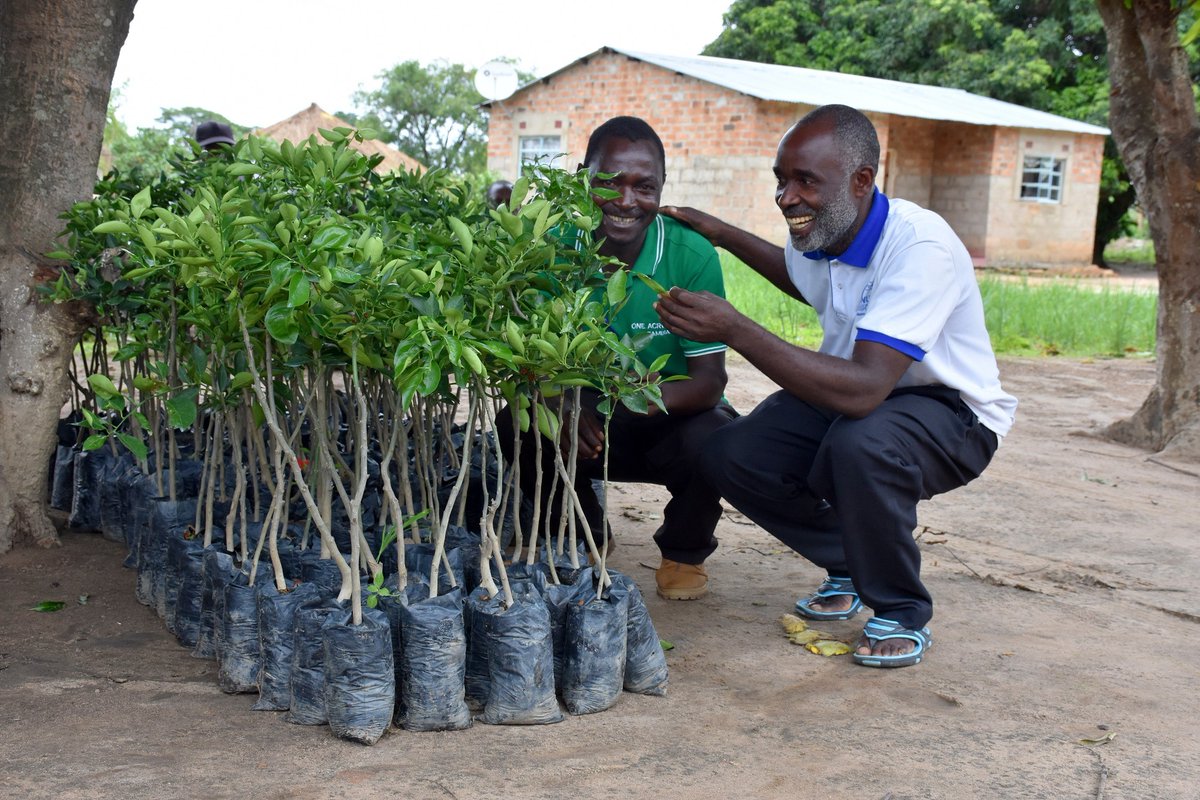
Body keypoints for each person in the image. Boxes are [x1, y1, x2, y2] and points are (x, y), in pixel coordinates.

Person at [655, 104, 1017, 666]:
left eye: (804, 181)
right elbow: (804, 281)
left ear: (862, 179)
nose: (786, 196)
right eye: (781, 180)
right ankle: (852, 560)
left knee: (861, 443)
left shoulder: (919, 247)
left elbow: (864, 391)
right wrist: (723, 235)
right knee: (729, 452)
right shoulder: (831, 232)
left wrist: (734, 327)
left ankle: (898, 607)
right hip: (862, 398)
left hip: (950, 414)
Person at [498, 116, 736, 600]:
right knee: (517, 422)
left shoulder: (690, 255)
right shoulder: (550, 246)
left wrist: (618, 401)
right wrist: (562, 403)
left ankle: (683, 552)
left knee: (718, 436)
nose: (626, 202)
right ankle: (584, 532)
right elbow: (525, 362)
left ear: (662, 188)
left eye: (644, 187)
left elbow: (709, 381)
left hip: (666, 413)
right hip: (582, 420)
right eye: (609, 183)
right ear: (584, 177)